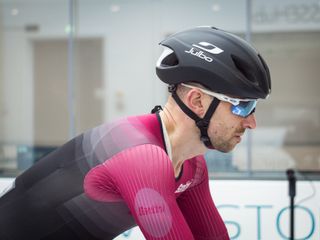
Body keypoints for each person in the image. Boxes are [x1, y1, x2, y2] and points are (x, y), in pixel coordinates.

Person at [0, 26, 271, 240]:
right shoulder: (141, 157)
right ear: (197, 101)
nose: (251, 122)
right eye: (243, 106)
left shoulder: (192, 164)